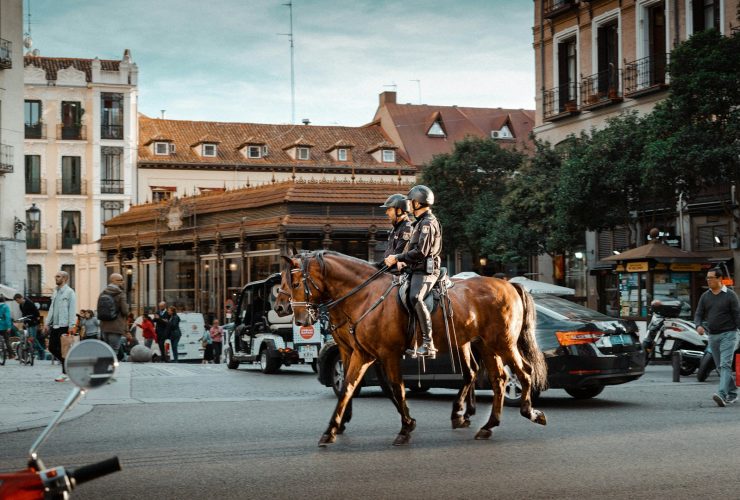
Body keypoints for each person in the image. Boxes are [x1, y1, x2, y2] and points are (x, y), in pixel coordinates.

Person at [384, 185, 442, 358]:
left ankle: (428, 343)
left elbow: (421, 252)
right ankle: (411, 341)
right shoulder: (418, 223)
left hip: (427, 271)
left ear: (417, 203)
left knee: (415, 297)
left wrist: (398, 258)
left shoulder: (427, 223)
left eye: (411, 201)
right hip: (415, 269)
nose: (408, 204)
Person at [695, 267, 740, 407]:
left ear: (719, 279)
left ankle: (721, 393)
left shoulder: (730, 295)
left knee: (725, 364)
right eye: (707, 278)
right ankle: (733, 392)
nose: (708, 280)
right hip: (713, 335)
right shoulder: (705, 296)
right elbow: (698, 314)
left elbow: (738, 316)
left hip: (730, 334)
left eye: (711, 278)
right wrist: (698, 325)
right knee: (720, 367)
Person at [45, 271, 77, 381]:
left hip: (64, 325)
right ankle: (69, 364)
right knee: (52, 348)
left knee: (64, 350)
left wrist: (71, 325)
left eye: (58, 276)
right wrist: (47, 323)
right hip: (55, 325)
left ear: (64, 278)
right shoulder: (55, 292)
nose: (56, 278)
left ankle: (65, 373)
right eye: (56, 276)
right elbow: (51, 309)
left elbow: (72, 310)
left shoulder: (70, 292)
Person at [98, 273, 129, 362]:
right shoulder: (120, 293)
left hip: (104, 326)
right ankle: (110, 370)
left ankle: (105, 369)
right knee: (114, 350)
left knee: (107, 349)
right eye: (119, 280)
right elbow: (125, 311)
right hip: (116, 326)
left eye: (122, 280)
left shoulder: (103, 293)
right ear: (112, 281)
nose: (122, 282)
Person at [381, 193, 413, 273]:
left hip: (398, 273)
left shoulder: (407, 229)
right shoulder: (395, 229)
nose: (386, 213)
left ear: (398, 211)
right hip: (389, 270)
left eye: (389, 209)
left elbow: (397, 255)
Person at [14, 293, 43, 359]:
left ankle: (40, 351)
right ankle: (34, 352)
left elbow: (37, 313)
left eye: (17, 300)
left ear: (21, 298)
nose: (17, 302)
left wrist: (39, 324)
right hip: (28, 324)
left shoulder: (29, 303)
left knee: (33, 338)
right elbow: (23, 315)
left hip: (33, 323)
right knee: (30, 338)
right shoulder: (21, 305)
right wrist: (23, 322)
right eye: (16, 301)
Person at [0, 295, 14, 359]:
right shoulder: (6, 307)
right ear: (4, 300)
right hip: (4, 327)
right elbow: (8, 317)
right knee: (7, 341)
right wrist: (9, 326)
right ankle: (11, 355)